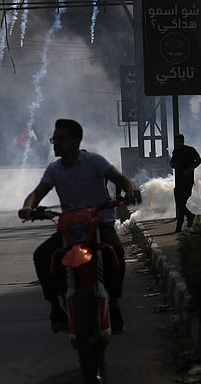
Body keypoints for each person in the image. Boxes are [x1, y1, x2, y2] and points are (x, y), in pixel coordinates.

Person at [18, 119, 141, 334]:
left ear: (76, 140)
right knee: (42, 256)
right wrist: (28, 208)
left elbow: (121, 180)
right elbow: (37, 194)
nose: (56, 144)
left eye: (61, 139)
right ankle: (56, 308)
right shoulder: (54, 169)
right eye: (54, 139)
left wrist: (130, 190)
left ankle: (113, 302)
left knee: (117, 253)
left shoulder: (94, 161)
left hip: (99, 224)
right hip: (69, 229)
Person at [170, 133, 201, 232]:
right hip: (178, 181)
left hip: (187, 181)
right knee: (180, 204)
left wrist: (189, 170)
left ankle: (180, 225)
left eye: (178, 142)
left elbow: (198, 160)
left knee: (181, 203)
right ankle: (190, 216)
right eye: (175, 142)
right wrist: (172, 164)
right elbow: (173, 162)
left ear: (183, 141)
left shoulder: (190, 150)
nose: (177, 144)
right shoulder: (175, 152)